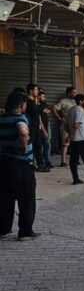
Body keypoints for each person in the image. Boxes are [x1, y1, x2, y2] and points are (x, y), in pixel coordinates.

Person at [0, 92, 39, 241]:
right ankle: (25, 232)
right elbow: (23, 132)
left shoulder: (2, 119)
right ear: (21, 104)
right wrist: (23, 147)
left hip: (5, 162)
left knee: (5, 198)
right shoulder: (20, 118)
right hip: (21, 164)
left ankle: (3, 229)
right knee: (26, 197)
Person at [51, 87, 77, 168]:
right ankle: (63, 161)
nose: (74, 94)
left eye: (75, 92)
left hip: (74, 125)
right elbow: (53, 108)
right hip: (66, 124)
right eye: (73, 92)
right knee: (65, 142)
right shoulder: (63, 101)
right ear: (68, 93)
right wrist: (59, 118)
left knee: (75, 142)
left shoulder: (76, 101)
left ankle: (75, 160)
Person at [26, 84, 47, 172]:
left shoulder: (35, 101)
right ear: (31, 91)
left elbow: (38, 115)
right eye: (36, 90)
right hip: (30, 127)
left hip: (36, 127)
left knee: (38, 145)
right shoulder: (27, 101)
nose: (37, 92)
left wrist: (39, 124)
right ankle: (30, 165)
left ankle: (40, 165)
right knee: (30, 146)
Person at [38, 91, 53, 171]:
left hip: (46, 126)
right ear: (38, 96)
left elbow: (49, 110)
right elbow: (39, 118)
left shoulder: (44, 104)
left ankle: (47, 161)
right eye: (43, 96)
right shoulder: (37, 105)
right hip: (40, 127)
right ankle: (42, 162)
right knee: (41, 146)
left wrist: (45, 110)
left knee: (47, 145)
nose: (44, 98)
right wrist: (44, 131)